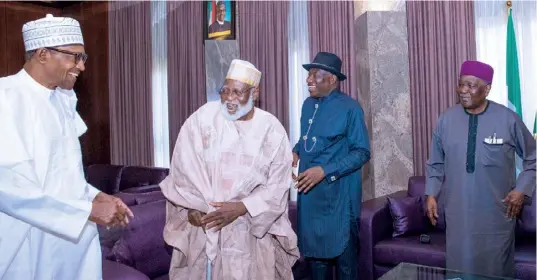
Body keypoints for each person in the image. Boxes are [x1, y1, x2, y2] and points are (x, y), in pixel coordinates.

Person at [0, 14, 133, 280]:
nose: (81, 67)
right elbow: (10, 186)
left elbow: (63, 172)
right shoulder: (6, 98)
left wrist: (94, 196)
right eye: (74, 57)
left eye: (82, 58)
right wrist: (87, 211)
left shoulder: (63, 98)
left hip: (74, 239)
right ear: (42, 54)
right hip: (28, 240)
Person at [160, 59, 299, 279]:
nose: (229, 99)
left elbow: (277, 187)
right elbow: (181, 172)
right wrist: (190, 210)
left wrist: (242, 207)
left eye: (237, 92)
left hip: (250, 235)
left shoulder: (271, 130)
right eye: (224, 91)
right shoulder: (202, 120)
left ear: (254, 93)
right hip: (204, 233)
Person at [425, 60, 536, 278]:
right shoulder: (446, 120)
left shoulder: (507, 119)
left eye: (471, 86)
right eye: (461, 84)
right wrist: (431, 194)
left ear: (487, 89)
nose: (464, 91)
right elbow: (435, 163)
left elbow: (533, 157)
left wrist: (522, 190)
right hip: (458, 217)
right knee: (459, 271)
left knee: (495, 272)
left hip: (496, 217)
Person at [293, 51, 371, 279]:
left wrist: (325, 171)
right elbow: (307, 137)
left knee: (346, 269)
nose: (308, 79)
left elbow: (362, 152)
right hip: (311, 201)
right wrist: (296, 151)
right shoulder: (308, 105)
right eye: (309, 74)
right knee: (316, 268)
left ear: (333, 80)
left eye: (316, 75)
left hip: (339, 202)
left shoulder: (351, 108)